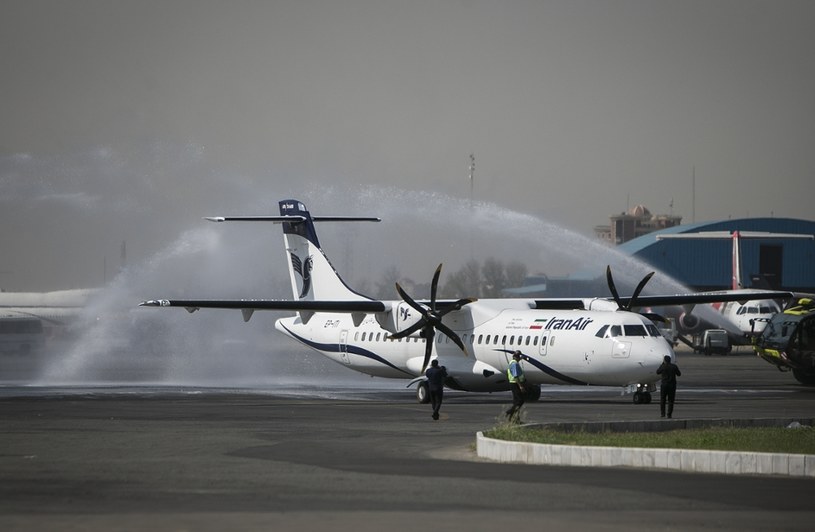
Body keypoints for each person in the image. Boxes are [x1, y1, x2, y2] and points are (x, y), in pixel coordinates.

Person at [505, 351, 526, 423]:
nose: (519, 358)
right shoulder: (514, 364)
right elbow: (516, 376)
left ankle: (514, 419)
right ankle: (510, 412)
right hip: (515, 383)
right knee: (520, 401)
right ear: (517, 357)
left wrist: (521, 358)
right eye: (519, 357)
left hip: (513, 383)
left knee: (516, 402)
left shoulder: (512, 362)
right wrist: (520, 386)